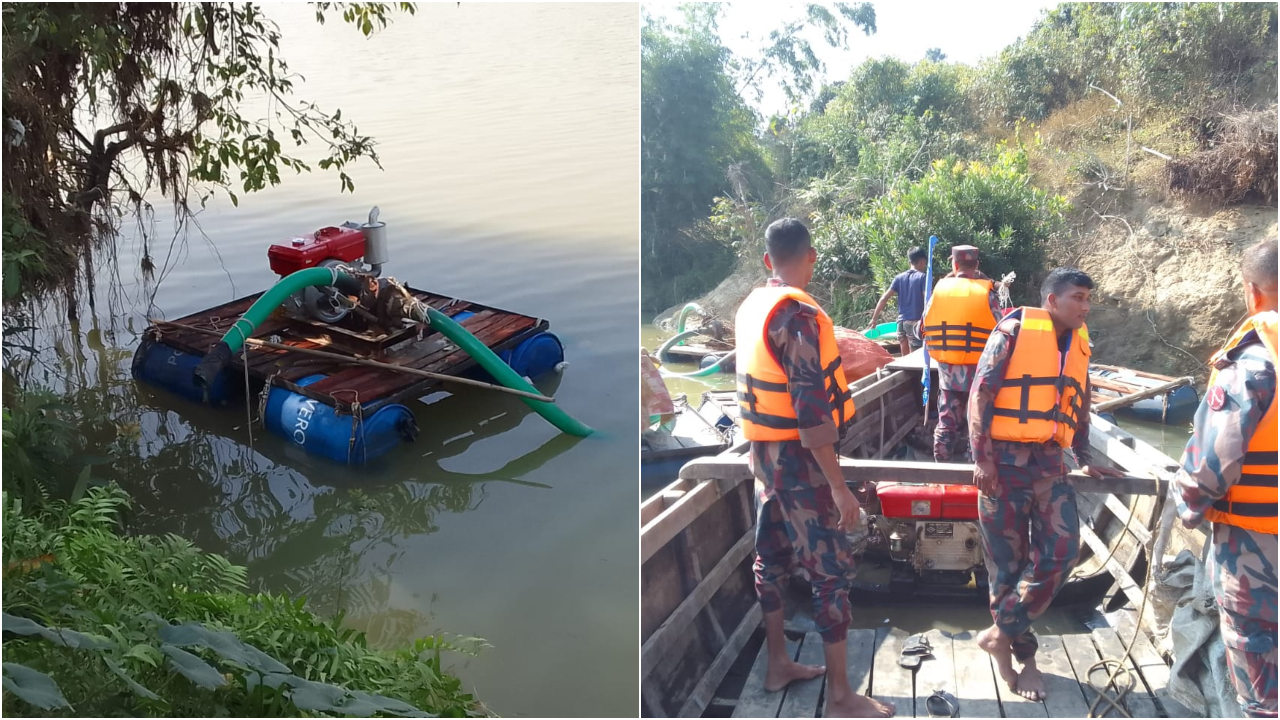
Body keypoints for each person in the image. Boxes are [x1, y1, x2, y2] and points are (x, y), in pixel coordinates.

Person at [735, 217, 894, 718]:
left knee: (771, 558)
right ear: (812, 257)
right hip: (801, 463)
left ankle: (778, 663)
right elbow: (812, 415)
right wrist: (840, 488)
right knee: (829, 573)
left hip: (763, 456)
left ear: (767, 261)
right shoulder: (798, 317)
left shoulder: (753, 304)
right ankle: (843, 698)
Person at [967, 267, 1122, 701]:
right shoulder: (1014, 331)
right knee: (1006, 567)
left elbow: (1081, 402)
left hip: (1051, 465)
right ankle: (1021, 659)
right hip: (1003, 466)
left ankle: (998, 634)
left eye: (1089, 298)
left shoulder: (1079, 343)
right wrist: (982, 459)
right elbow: (979, 394)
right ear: (1052, 300)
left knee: (1062, 552)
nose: (1085, 306)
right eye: (1078, 297)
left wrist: (1087, 458)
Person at [1172, 238, 1277, 718]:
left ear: (1253, 293)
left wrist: (1187, 507)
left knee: (1258, 657)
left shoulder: (1254, 365)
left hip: (1259, 539)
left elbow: (1211, 465)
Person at [920, 245, 1002, 461]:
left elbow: (922, 328)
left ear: (953, 264)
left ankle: (942, 473)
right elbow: (1000, 331)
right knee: (976, 424)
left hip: (949, 375)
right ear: (976, 265)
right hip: (980, 374)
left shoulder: (939, 291)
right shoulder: (988, 293)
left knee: (947, 424)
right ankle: (972, 471)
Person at [868, 246, 928, 356]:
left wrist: (874, 319)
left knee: (905, 358)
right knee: (916, 359)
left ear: (909, 261)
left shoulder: (899, 278)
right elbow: (928, 300)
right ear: (922, 261)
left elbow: (884, 298)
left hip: (900, 324)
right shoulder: (923, 278)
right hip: (915, 323)